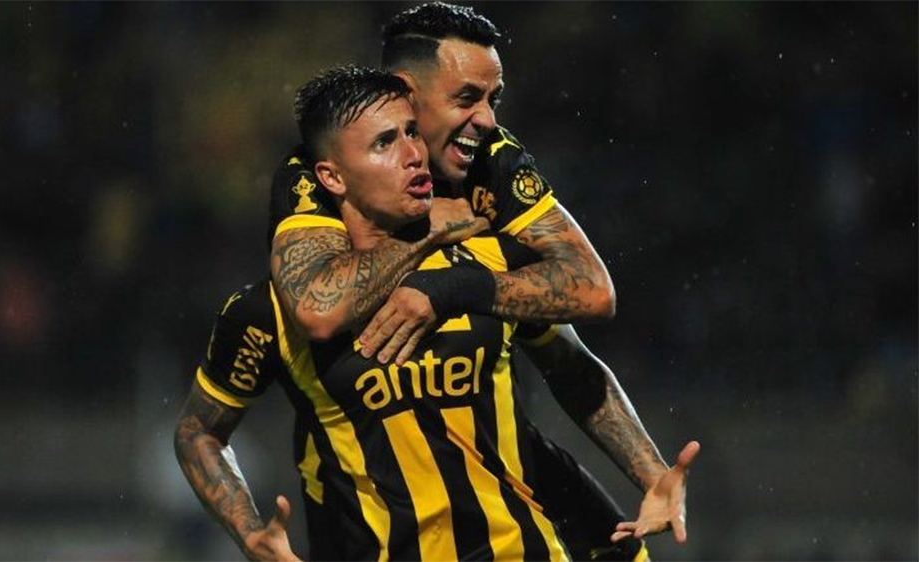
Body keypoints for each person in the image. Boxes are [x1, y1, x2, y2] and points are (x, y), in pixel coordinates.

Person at [178, 65, 699, 561]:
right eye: (384, 143)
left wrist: (653, 474)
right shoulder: (271, 312)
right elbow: (199, 433)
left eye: (412, 132)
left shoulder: (489, 261)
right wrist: (249, 534)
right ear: (332, 177)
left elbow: (572, 367)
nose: (413, 154)